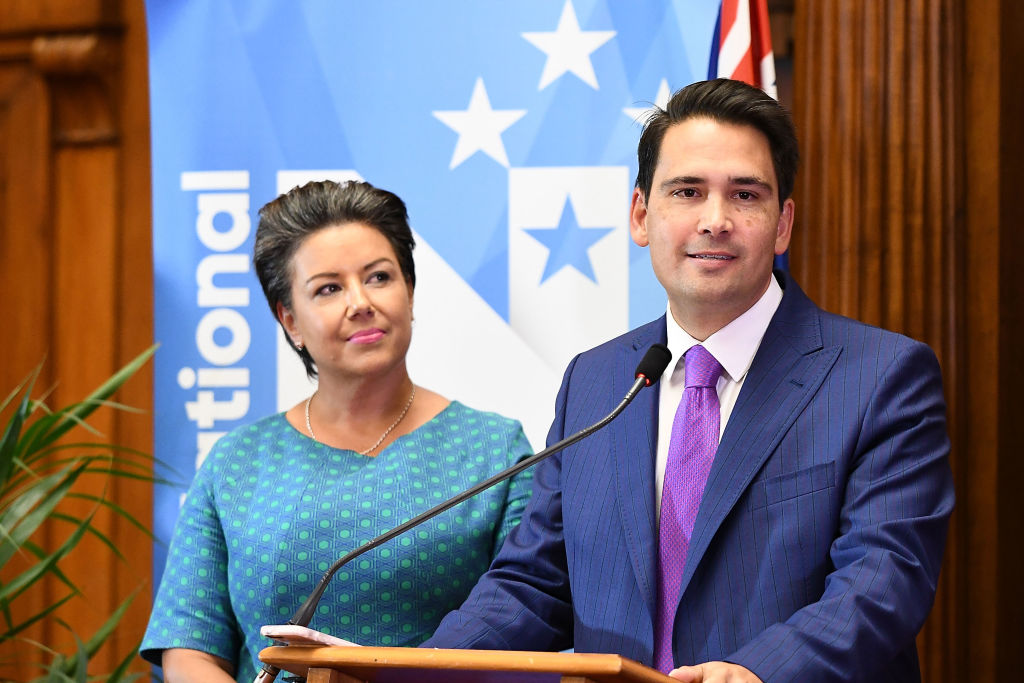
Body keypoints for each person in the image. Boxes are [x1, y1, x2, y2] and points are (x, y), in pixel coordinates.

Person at [423, 79, 954, 682]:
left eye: (745, 195)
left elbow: (884, 578)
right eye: (687, 191)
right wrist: (401, 673)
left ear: (782, 225)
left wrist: (756, 672)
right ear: (642, 215)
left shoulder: (881, 376)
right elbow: (534, 584)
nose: (715, 220)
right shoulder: (598, 382)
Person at [141, 180, 534, 682]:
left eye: (379, 277)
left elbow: (524, 624)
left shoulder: (494, 451)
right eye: (328, 288)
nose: (359, 302)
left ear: (409, 293)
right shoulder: (237, 460)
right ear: (291, 321)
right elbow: (189, 646)